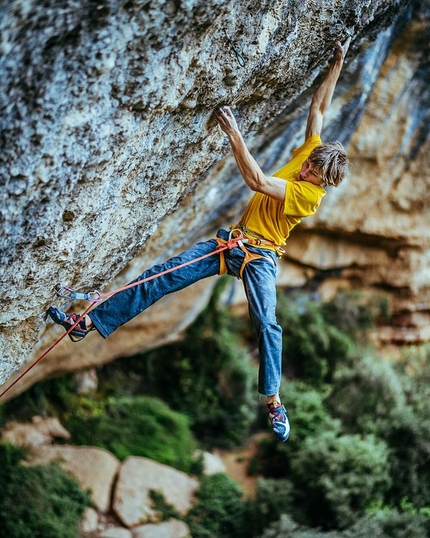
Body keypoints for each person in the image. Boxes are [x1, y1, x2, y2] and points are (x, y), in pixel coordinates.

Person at [48, 38, 351, 442]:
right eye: (310, 163)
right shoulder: (312, 156)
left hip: (260, 258)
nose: (306, 168)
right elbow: (318, 109)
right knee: (161, 275)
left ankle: (274, 400)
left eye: (313, 171)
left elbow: (256, 180)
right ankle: (87, 321)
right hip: (232, 243)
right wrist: (337, 61)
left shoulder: (309, 196)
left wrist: (234, 133)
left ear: (322, 182)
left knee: (266, 323)